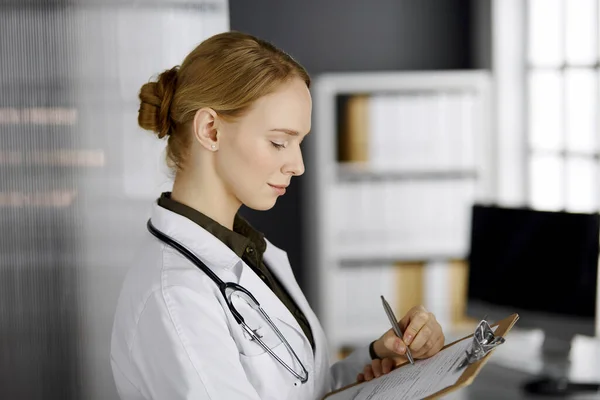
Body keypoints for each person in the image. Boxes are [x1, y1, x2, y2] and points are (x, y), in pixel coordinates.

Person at [110, 31, 445, 400]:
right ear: (210, 130)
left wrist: (376, 359)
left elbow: (301, 388)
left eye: (298, 142)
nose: (298, 165)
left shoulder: (249, 252)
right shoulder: (176, 297)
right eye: (279, 142)